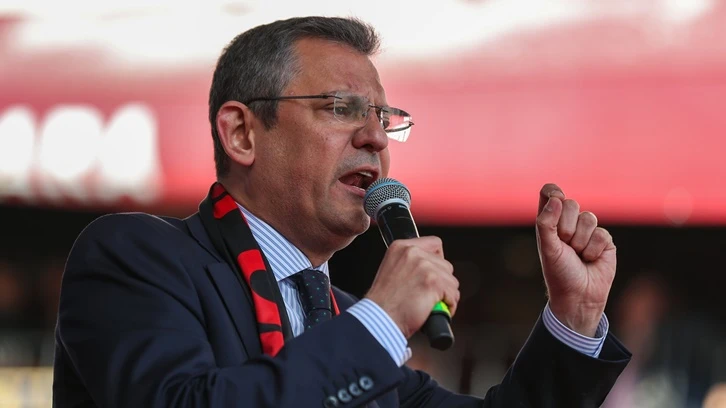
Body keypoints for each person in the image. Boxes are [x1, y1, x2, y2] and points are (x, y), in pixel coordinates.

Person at [53, 16, 630, 407]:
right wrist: (381, 322)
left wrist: (573, 317)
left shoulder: (346, 319)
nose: (375, 138)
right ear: (242, 134)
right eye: (340, 108)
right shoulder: (135, 256)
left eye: (384, 118)